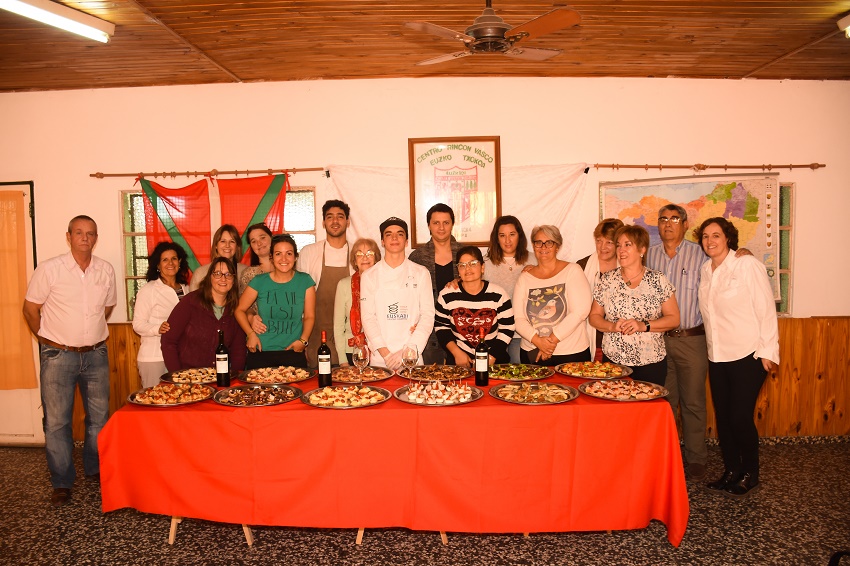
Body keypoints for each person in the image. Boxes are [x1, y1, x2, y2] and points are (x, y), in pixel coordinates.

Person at [22, 215, 116, 508]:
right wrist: (47, 341)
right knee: (57, 423)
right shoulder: (49, 269)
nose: (85, 238)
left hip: (96, 354)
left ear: (96, 238)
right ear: (69, 236)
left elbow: (108, 308)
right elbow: (30, 309)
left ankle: (94, 468)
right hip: (58, 355)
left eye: (90, 233)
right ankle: (62, 482)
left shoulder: (105, 270)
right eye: (79, 232)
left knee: (99, 420)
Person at [696, 217, 779, 498]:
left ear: (728, 238)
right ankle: (731, 471)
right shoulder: (706, 270)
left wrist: (768, 351)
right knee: (724, 418)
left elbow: (766, 309)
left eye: (716, 235)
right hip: (717, 355)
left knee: (740, 417)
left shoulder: (747, 265)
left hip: (748, 354)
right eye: (706, 236)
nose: (710, 241)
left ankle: (750, 474)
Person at [588, 225, 680, 385]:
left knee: (649, 409)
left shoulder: (658, 280)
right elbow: (594, 317)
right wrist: (611, 326)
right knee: (616, 409)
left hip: (651, 362)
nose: (621, 250)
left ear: (642, 249)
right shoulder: (607, 280)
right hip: (614, 362)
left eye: (627, 245)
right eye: (618, 245)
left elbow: (674, 319)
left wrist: (643, 325)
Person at [360, 217, 434, 371]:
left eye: (400, 234)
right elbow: (368, 318)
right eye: (388, 234)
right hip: (380, 359)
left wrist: (407, 352)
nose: (394, 238)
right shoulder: (369, 276)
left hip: (411, 357)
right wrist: (386, 355)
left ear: (406, 241)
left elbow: (427, 316)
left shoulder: (421, 273)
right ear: (382, 241)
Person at [512, 225, 592, 366]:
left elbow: (580, 311)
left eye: (549, 242)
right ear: (533, 245)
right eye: (538, 242)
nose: (543, 247)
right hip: (532, 353)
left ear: (558, 246)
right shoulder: (524, 278)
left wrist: (550, 342)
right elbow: (518, 317)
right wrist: (538, 341)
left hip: (571, 353)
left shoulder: (573, 271)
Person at [236, 234, 316, 369]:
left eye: (289, 253)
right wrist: (250, 334)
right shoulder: (259, 281)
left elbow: (309, 316)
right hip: (260, 352)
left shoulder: (305, 281)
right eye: (278, 254)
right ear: (271, 257)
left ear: (295, 257)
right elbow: (239, 310)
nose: (284, 259)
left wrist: (303, 341)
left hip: (293, 352)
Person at [161, 257, 246, 372]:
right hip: (188, 379)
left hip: (220, 380)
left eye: (228, 274)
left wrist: (235, 378)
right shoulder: (190, 302)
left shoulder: (236, 309)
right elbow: (168, 341)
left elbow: (238, 350)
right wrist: (177, 375)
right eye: (217, 274)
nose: (223, 278)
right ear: (209, 277)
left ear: (233, 280)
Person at [435, 246, 515, 366]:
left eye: (473, 263)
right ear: (458, 270)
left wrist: (491, 357)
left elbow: (507, 328)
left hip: (494, 363)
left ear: (482, 267)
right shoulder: (447, 294)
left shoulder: (498, 294)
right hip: (459, 363)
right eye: (462, 265)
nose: (467, 269)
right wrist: (457, 353)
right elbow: (441, 328)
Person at [297, 200, 354, 365]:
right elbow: (301, 299)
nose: (335, 221)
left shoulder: (357, 253)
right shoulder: (309, 252)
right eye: (330, 217)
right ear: (323, 222)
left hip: (347, 336)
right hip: (316, 334)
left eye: (340, 217)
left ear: (348, 221)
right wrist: (303, 339)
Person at [408, 203, 462, 364]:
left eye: (446, 222)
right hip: (428, 331)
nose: (441, 227)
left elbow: (478, 286)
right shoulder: (417, 257)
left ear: (452, 224)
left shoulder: (464, 254)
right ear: (429, 225)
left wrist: (462, 281)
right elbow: (408, 294)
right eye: (436, 223)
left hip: (460, 329)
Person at [132, 241, 190, 387]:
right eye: (165, 259)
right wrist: (157, 328)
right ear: (157, 265)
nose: (170, 263)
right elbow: (138, 324)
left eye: (174, 259)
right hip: (154, 357)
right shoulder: (149, 290)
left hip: (181, 356)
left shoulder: (186, 289)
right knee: (155, 402)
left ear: (180, 262)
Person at [484, 215, 535, 363]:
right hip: (493, 333)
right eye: (502, 235)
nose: (507, 240)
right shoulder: (485, 263)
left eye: (512, 234)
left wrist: (540, 270)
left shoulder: (534, 259)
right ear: (496, 238)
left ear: (519, 235)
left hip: (522, 333)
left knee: (517, 377)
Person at [575, 218, 624, 362]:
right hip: (590, 337)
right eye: (599, 241)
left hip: (622, 338)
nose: (602, 247)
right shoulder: (582, 266)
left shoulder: (628, 267)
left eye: (609, 242)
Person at [333, 238, 381, 365]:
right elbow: (338, 326)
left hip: (379, 351)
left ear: (376, 259)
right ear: (354, 260)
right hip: (351, 351)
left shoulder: (384, 284)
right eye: (359, 254)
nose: (365, 257)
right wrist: (343, 360)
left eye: (370, 253)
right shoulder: (343, 285)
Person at [189, 224, 247, 292]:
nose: (227, 245)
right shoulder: (200, 274)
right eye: (223, 241)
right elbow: (192, 301)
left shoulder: (246, 272)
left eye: (232, 241)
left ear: (237, 246)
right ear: (216, 245)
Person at [238, 223, 274, 295]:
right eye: (253, 241)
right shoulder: (248, 275)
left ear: (271, 237)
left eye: (262, 238)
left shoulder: (285, 268)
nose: (259, 243)